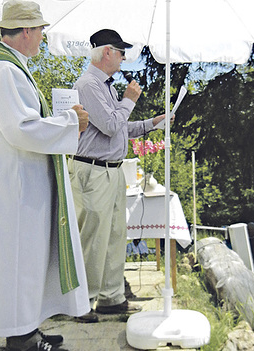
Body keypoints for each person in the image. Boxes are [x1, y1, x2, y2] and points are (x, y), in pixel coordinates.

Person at [0, 1, 90, 350]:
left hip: (21, 181)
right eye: (40, 30)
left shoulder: (9, 66)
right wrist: (71, 123)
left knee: (29, 260)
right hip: (15, 186)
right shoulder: (1, 71)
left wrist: (63, 122)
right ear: (25, 31)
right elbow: (20, 128)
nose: (42, 36)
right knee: (20, 261)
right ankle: (21, 338)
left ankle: (28, 328)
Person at [69, 29, 169, 323]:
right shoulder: (88, 85)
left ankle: (111, 298)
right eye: (121, 51)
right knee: (93, 238)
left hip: (110, 171)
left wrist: (153, 123)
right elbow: (112, 125)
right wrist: (130, 100)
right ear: (107, 52)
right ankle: (82, 302)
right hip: (93, 171)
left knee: (114, 236)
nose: (125, 57)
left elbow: (120, 128)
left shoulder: (107, 87)